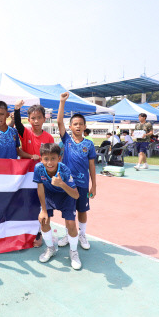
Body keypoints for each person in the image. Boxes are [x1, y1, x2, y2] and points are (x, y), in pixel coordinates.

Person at [57, 92, 97, 251]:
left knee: (82, 210)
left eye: (81, 124)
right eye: (75, 124)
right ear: (70, 127)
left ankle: (82, 234)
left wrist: (94, 186)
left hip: (83, 184)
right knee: (68, 211)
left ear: (85, 126)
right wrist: (62, 102)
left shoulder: (89, 144)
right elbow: (59, 120)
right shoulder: (66, 140)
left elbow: (92, 166)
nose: (78, 126)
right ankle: (68, 234)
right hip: (68, 184)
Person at [13, 99, 54, 247]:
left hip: (43, 178)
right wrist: (17, 110)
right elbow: (17, 123)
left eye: (39, 118)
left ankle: (38, 233)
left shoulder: (49, 137)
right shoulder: (26, 133)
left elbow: (51, 158)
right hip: (26, 175)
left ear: (44, 118)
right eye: (33, 118)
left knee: (41, 205)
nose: (36, 121)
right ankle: (26, 231)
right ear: (29, 119)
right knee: (27, 204)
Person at [34, 143, 82, 270]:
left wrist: (61, 184)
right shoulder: (38, 168)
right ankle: (51, 248)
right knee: (44, 221)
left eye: (53, 158)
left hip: (66, 195)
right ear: (41, 159)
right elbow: (40, 189)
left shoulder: (64, 170)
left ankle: (73, 252)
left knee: (71, 224)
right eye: (46, 159)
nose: (49, 162)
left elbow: (76, 195)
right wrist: (43, 210)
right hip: (49, 196)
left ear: (59, 159)